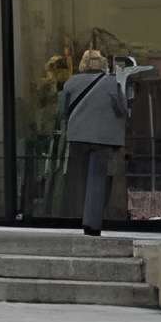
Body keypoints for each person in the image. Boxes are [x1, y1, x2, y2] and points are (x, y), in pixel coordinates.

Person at [56, 47, 134, 234]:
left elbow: (62, 110)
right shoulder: (111, 83)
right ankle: (92, 223)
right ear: (103, 64)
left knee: (79, 179)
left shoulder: (71, 82)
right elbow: (122, 109)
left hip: (77, 137)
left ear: (83, 64)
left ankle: (76, 216)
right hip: (103, 139)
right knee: (97, 179)